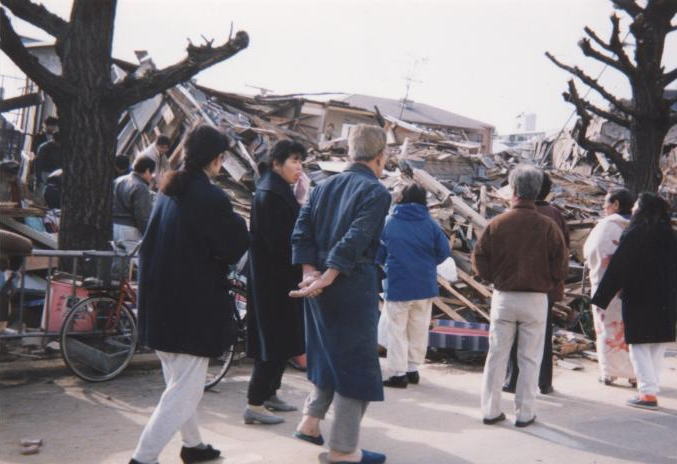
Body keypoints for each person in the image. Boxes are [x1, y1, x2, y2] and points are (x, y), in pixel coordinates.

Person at [129, 125, 249, 464]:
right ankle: (143, 457)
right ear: (215, 159)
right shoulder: (208, 196)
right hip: (189, 306)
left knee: (179, 384)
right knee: (185, 389)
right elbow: (233, 244)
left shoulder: (169, 190)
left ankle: (193, 446)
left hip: (159, 299)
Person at [290, 124, 391, 464]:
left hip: (317, 286)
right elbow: (356, 238)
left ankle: (310, 422)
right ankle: (343, 450)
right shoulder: (376, 192)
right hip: (349, 285)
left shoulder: (321, 187)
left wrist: (310, 274)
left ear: (349, 152)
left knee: (327, 355)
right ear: (381, 157)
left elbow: (301, 230)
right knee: (357, 367)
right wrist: (329, 275)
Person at [472, 165, 567, 428]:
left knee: (497, 355)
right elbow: (561, 265)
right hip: (536, 299)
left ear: (513, 190)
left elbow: (479, 259)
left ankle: (490, 410)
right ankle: (525, 413)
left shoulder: (497, 223)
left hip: (504, 296)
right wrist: (549, 281)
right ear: (537, 192)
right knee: (529, 358)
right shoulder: (548, 226)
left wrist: (494, 278)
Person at [592, 193, 677, 410]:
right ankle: (651, 386)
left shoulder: (634, 235)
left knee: (638, 345)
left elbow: (617, 269)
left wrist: (601, 298)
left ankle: (647, 394)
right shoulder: (672, 236)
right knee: (657, 344)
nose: (633, 210)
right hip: (667, 299)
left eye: (637, 207)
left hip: (639, 297)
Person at [244, 140, 307, 425]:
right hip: (274, 281)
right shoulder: (270, 193)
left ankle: (270, 393)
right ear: (277, 163)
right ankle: (255, 403)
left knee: (281, 339)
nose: (299, 167)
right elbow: (281, 242)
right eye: (294, 160)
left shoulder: (279, 189)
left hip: (280, 278)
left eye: (301, 161)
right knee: (273, 339)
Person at [376, 183, 450, 388]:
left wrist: (389, 264)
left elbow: (378, 253)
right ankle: (412, 369)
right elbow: (444, 251)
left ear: (401, 198)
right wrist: (426, 264)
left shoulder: (389, 222)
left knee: (397, 330)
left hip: (399, 283)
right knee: (418, 328)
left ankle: (398, 374)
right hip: (425, 285)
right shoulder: (430, 223)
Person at [503, 173, 569, 395]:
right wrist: (555, 280)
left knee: (514, 336)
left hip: (513, 285)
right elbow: (563, 253)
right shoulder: (554, 215)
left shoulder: (511, 215)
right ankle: (544, 381)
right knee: (542, 336)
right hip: (545, 289)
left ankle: (512, 380)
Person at [583, 189, 637, 386]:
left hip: (606, 286)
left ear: (615, 204)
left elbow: (591, 251)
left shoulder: (606, 226)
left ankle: (609, 373)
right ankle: (635, 374)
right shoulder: (638, 225)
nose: (604, 209)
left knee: (607, 329)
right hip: (633, 287)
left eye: (606, 204)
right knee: (630, 329)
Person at [112, 155, 155, 255]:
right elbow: (142, 216)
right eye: (152, 173)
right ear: (147, 170)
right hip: (130, 230)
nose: (152, 176)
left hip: (114, 227)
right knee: (139, 261)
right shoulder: (141, 187)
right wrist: (149, 235)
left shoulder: (118, 180)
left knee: (118, 264)